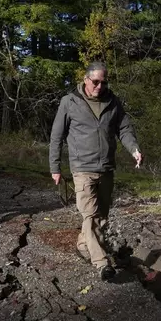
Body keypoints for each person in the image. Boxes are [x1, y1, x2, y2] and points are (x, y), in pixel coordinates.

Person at [49, 62, 143, 280]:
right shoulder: (69, 102)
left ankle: (84, 245)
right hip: (82, 168)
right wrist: (55, 167)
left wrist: (134, 149)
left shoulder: (113, 101)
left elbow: (124, 128)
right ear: (85, 79)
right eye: (95, 82)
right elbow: (56, 137)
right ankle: (101, 263)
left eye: (104, 82)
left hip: (106, 168)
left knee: (101, 216)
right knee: (90, 215)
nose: (100, 86)